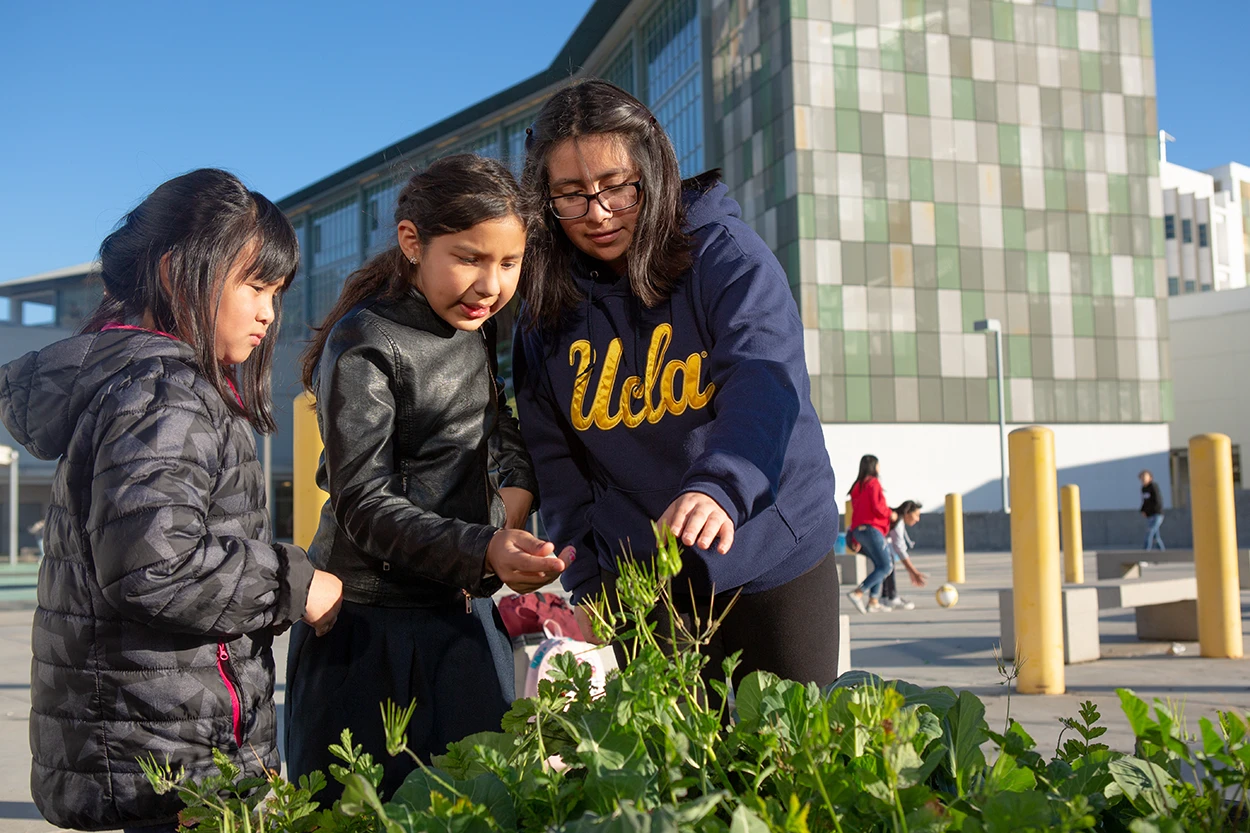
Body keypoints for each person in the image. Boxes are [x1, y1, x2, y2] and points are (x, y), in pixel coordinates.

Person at [0, 169, 343, 833]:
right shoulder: (165, 391)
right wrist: (297, 580)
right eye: (255, 284)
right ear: (174, 271)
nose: (269, 312)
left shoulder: (137, 382)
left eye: (276, 290)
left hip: (149, 744)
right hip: (167, 764)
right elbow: (155, 566)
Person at [512, 80, 841, 688]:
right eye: (571, 196)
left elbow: (763, 381)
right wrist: (591, 586)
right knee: (676, 778)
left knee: (791, 767)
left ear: (655, 170)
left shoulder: (726, 255)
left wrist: (722, 486)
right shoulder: (541, 311)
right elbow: (557, 463)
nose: (598, 213)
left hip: (773, 553)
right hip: (644, 586)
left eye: (617, 186)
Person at [285, 155, 569, 801]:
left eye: (509, 263)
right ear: (412, 242)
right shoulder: (364, 340)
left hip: (460, 612)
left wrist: (512, 512)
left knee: (482, 806)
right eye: (469, 257)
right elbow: (363, 501)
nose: (490, 284)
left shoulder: (472, 326)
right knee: (358, 812)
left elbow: (497, 430)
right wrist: (483, 547)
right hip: (365, 628)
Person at [845, 455, 894, 614]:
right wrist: (890, 514)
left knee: (878, 565)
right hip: (872, 529)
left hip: (858, 531)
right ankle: (858, 592)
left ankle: (873, 601)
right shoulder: (873, 483)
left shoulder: (857, 486)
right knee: (886, 566)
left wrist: (853, 536)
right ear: (874, 466)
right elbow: (878, 507)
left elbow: (855, 513)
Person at [881, 500, 928, 610]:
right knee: (887, 562)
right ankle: (891, 597)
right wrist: (913, 572)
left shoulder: (896, 520)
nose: (918, 519)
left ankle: (885, 596)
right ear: (907, 513)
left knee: (886, 562)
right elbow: (900, 548)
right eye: (916, 515)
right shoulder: (897, 521)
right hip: (865, 537)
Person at [1140, 470, 1165, 550]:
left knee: (1150, 532)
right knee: (1156, 537)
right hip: (1150, 516)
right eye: (1142, 477)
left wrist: (1155, 511)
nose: (1143, 479)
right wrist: (1143, 510)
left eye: (1145, 477)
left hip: (1157, 514)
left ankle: (1145, 554)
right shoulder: (1143, 488)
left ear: (1150, 478)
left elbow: (1158, 500)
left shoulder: (1153, 486)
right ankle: (1163, 554)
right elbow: (1145, 501)